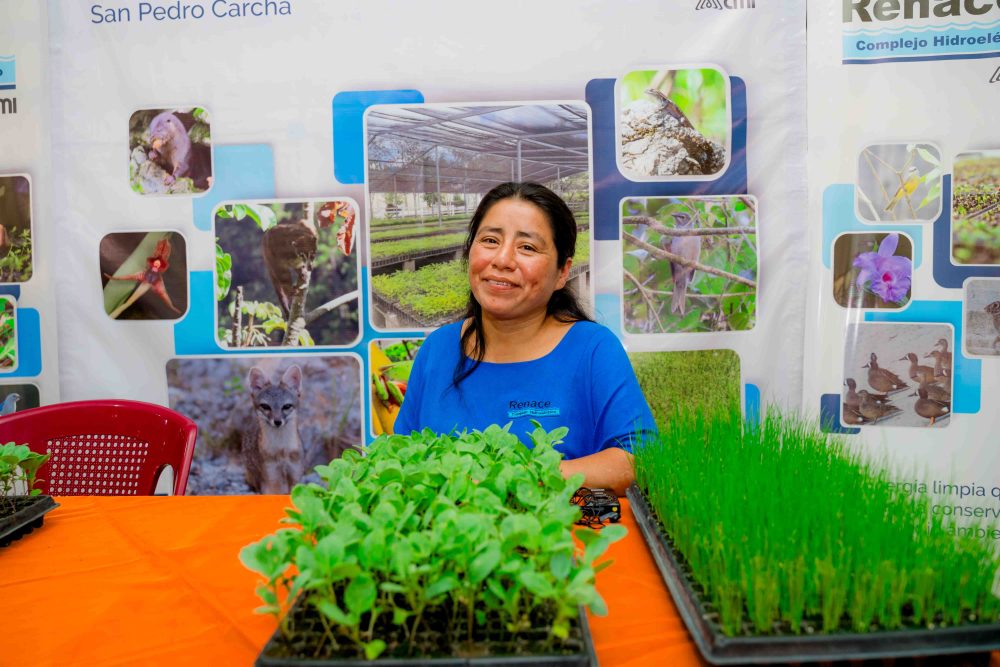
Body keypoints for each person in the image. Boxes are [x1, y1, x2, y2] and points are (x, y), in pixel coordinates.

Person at [393, 182, 656, 495]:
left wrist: (524, 476)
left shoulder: (592, 349)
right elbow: (402, 458)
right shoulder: (438, 349)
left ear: (562, 272)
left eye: (527, 247)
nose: (503, 260)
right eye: (490, 240)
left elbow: (637, 458)